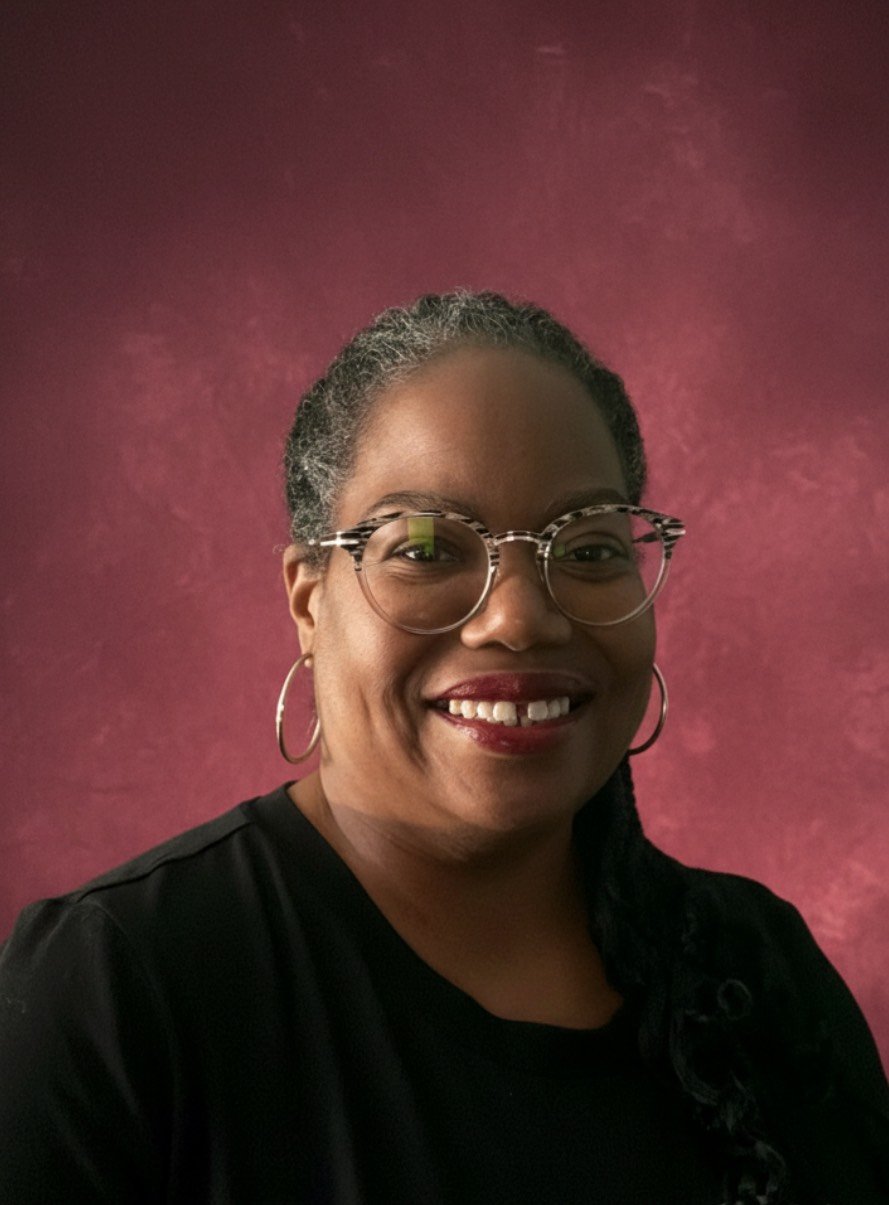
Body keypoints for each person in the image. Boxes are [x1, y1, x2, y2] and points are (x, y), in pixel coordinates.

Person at [1, 291, 887, 1205]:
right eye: (424, 548)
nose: (519, 617)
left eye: (584, 549)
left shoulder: (756, 967)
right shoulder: (119, 982)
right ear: (309, 600)